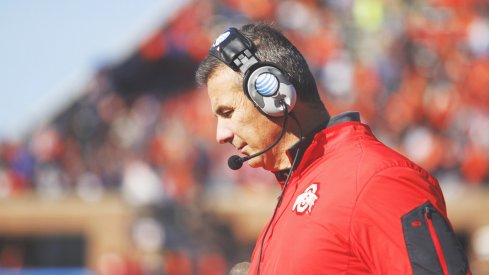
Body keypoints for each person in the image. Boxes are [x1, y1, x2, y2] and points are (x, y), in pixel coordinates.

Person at [195, 23, 470, 274]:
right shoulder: (294, 197)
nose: (221, 135)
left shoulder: (376, 181)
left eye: (228, 112)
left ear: (272, 92)